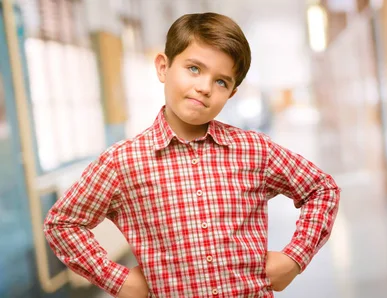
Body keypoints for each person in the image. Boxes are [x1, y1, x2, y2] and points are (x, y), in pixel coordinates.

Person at [43, 12, 341, 298]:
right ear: (163, 67)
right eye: (194, 69)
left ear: (232, 93)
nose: (204, 88)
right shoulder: (122, 162)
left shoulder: (255, 150)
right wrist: (117, 280)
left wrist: (295, 257)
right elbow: (62, 224)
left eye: (221, 81)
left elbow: (322, 189)